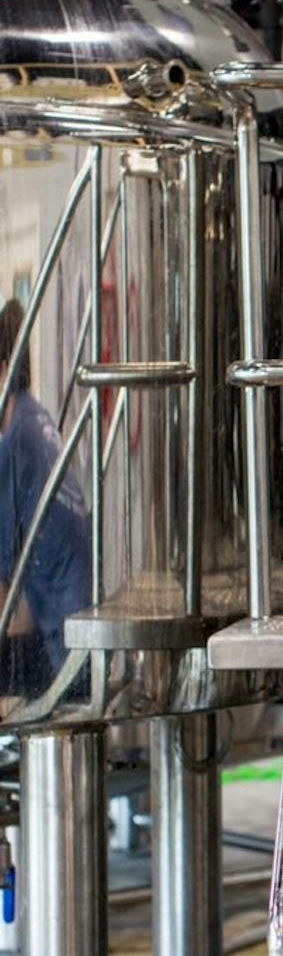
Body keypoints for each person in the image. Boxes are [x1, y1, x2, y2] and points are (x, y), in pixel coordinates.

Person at [0, 299, 91, 702]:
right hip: (77, 632)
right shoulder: (35, 419)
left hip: (60, 650)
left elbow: (5, 600)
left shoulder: (15, 447)